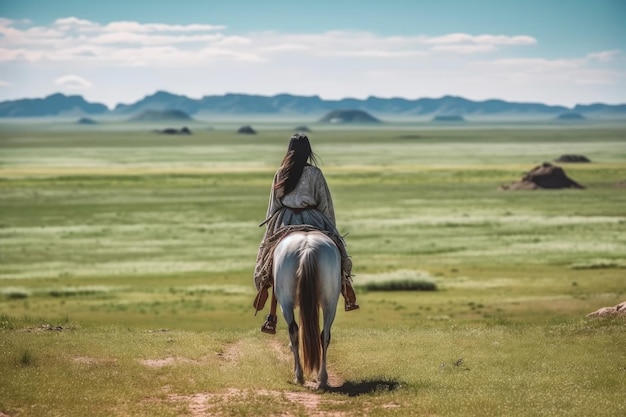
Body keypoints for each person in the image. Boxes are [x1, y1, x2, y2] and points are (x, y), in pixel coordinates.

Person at [253, 133, 359, 334]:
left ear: (289, 151)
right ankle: (345, 283)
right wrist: (331, 229)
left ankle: (267, 298)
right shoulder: (316, 174)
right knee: (338, 248)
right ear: (308, 151)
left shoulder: (280, 173)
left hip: (284, 219)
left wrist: (269, 233)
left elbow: (273, 207)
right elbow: (325, 204)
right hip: (314, 218)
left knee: (267, 254)